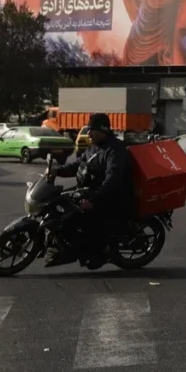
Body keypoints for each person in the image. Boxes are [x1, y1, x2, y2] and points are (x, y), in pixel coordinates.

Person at [49, 113, 135, 270]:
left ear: (103, 130)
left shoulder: (115, 149)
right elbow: (78, 165)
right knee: (60, 201)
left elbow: (112, 180)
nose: (88, 133)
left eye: (91, 130)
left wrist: (93, 201)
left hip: (113, 196)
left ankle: (98, 254)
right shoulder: (94, 148)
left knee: (79, 215)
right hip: (92, 190)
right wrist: (57, 171)